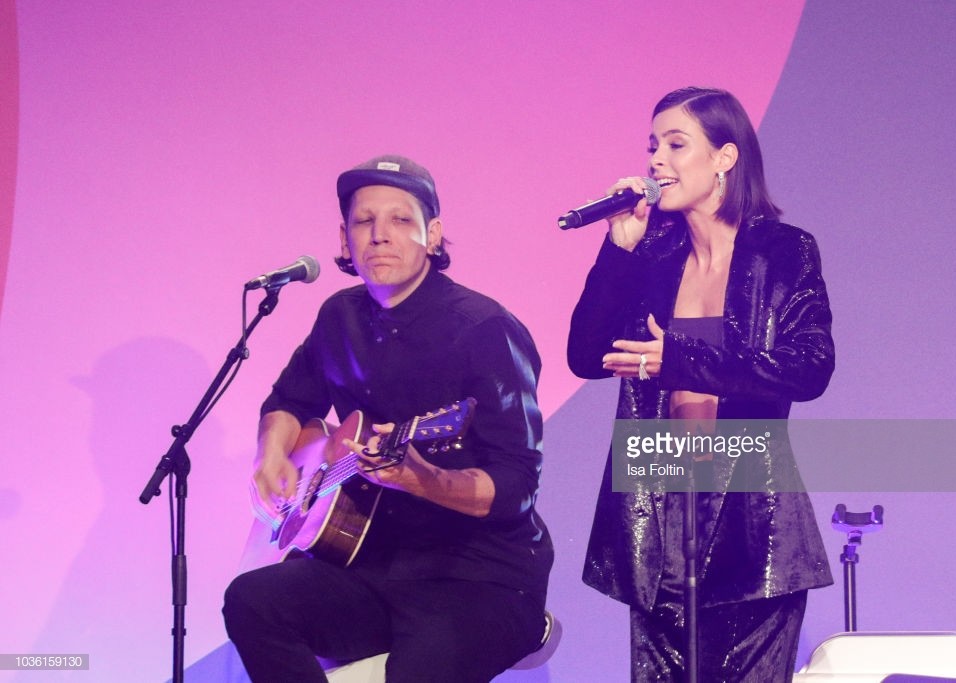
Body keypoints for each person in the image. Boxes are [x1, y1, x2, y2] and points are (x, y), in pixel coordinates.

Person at [223, 155, 553, 683]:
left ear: (433, 235)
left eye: (400, 219)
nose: (380, 235)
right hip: (371, 564)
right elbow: (289, 400)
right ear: (344, 239)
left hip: (480, 576)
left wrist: (424, 480)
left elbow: (516, 486)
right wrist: (271, 457)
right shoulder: (339, 316)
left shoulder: (486, 329)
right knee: (252, 600)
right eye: (364, 221)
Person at [567, 87, 834, 682]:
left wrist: (682, 359)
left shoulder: (783, 251)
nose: (656, 160)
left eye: (675, 144)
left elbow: (809, 367)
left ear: (724, 157)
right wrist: (617, 250)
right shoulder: (653, 257)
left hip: (751, 523)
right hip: (658, 509)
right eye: (652, 146)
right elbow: (586, 356)